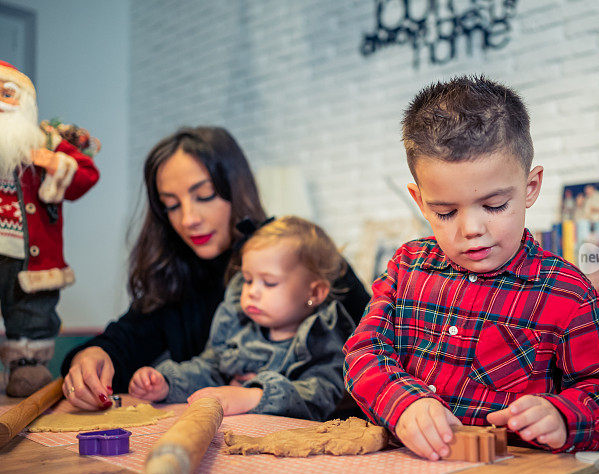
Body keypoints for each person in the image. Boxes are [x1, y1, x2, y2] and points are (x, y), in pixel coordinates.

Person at [343, 75, 599, 461]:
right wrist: (403, 403)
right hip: (404, 471)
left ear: (530, 188)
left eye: (494, 206)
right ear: (420, 200)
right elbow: (363, 351)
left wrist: (562, 416)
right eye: (445, 211)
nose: (471, 230)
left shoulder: (567, 292)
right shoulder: (405, 267)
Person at [61, 126, 369, 410]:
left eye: (204, 195)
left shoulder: (303, 260)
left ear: (235, 187)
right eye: (171, 204)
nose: (188, 219)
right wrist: (92, 357)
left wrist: (259, 393)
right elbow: (122, 343)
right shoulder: (174, 277)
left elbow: (380, 354)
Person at [129, 216, 354, 419]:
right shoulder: (238, 326)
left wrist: (252, 396)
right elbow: (210, 368)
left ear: (314, 292)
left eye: (269, 282)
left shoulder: (322, 337)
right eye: (247, 279)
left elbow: (319, 395)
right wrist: (168, 383)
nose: (252, 292)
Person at [0, 61, 99, 397]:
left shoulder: (47, 140)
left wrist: (58, 164)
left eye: (7, 93)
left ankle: (26, 365)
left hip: (31, 254)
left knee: (31, 308)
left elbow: (87, 173)